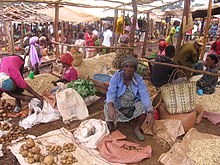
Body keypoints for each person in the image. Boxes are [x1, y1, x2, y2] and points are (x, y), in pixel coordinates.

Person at [104, 55, 154, 141]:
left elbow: (144, 95)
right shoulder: (116, 77)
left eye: (131, 67)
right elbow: (111, 92)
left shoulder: (138, 79)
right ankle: (110, 126)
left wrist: (150, 111)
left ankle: (137, 128)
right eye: (126, 66)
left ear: (135, 69)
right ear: (122, 68)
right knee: (107, 105)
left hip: (132, 104)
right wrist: (110, 106)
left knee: (143, 107)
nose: (128, 69)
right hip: (118, 102)